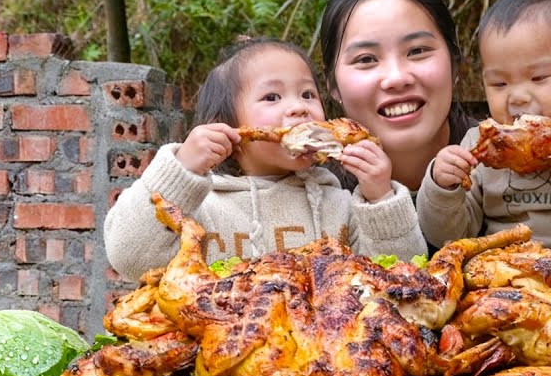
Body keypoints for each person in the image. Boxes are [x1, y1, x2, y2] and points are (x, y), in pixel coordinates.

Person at [320, 0, 551, 320]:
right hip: (507, 313)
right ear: (332, 84)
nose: (396, 77)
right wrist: (442, 186)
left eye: (418, 51)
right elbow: (449, 235)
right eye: (365, 58)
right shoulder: (318, 193)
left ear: (456, 66)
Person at [104, 38, 426, 283]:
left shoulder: (339, 205)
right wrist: (181, 171)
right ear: (226, 125)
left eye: (308, 95)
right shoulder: (200, 209)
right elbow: (128, 258)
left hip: (324, 362)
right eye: (272, 97)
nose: (299, 108)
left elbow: (404, 278)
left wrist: (381, 197)